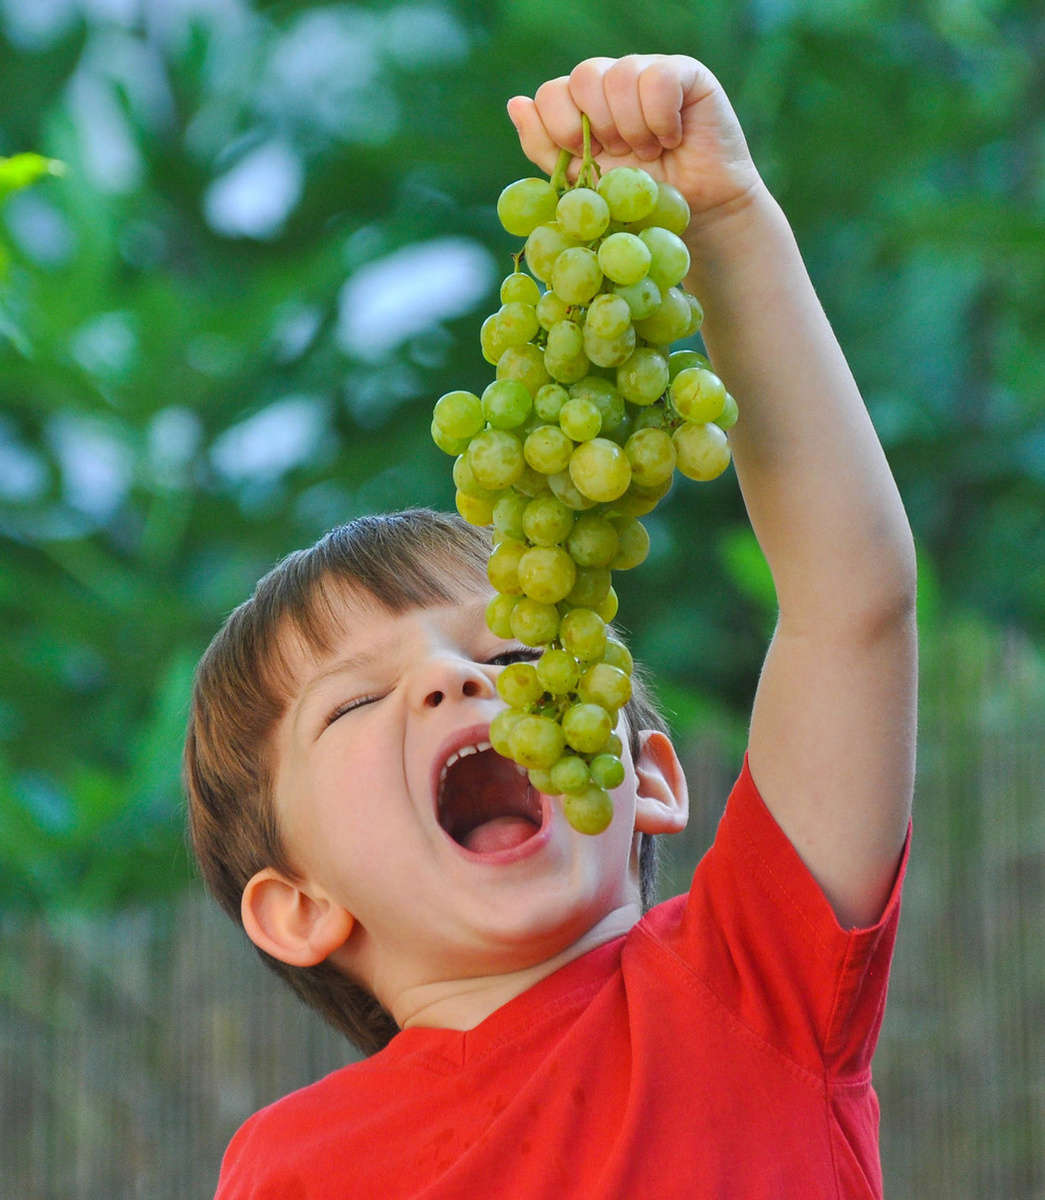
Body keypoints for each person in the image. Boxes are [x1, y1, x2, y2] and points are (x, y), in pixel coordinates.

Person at [186, 53, 917, 1198]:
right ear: (299, 907)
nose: (452, 684)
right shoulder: (288, 1169)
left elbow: (850, 603)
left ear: (653, 777)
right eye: (360, 700)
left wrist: (722, 218)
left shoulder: (751, 984)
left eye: (514, 649)